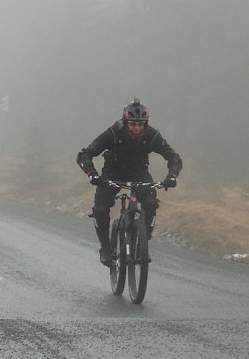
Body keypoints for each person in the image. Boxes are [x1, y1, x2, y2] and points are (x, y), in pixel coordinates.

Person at [77, 98, 183, 266]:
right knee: (101, 208)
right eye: (133, 124)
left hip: (138, 172)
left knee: (150, 203)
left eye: (141, 124)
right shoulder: (113, 132)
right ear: (126, 122)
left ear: (145, 123)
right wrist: (92, 174)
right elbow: (85, 154)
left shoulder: (152, 135)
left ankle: (143, 241)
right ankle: (105, 247)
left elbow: (174, 157)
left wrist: (172, 177)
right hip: (113, 171)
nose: (137, 128)